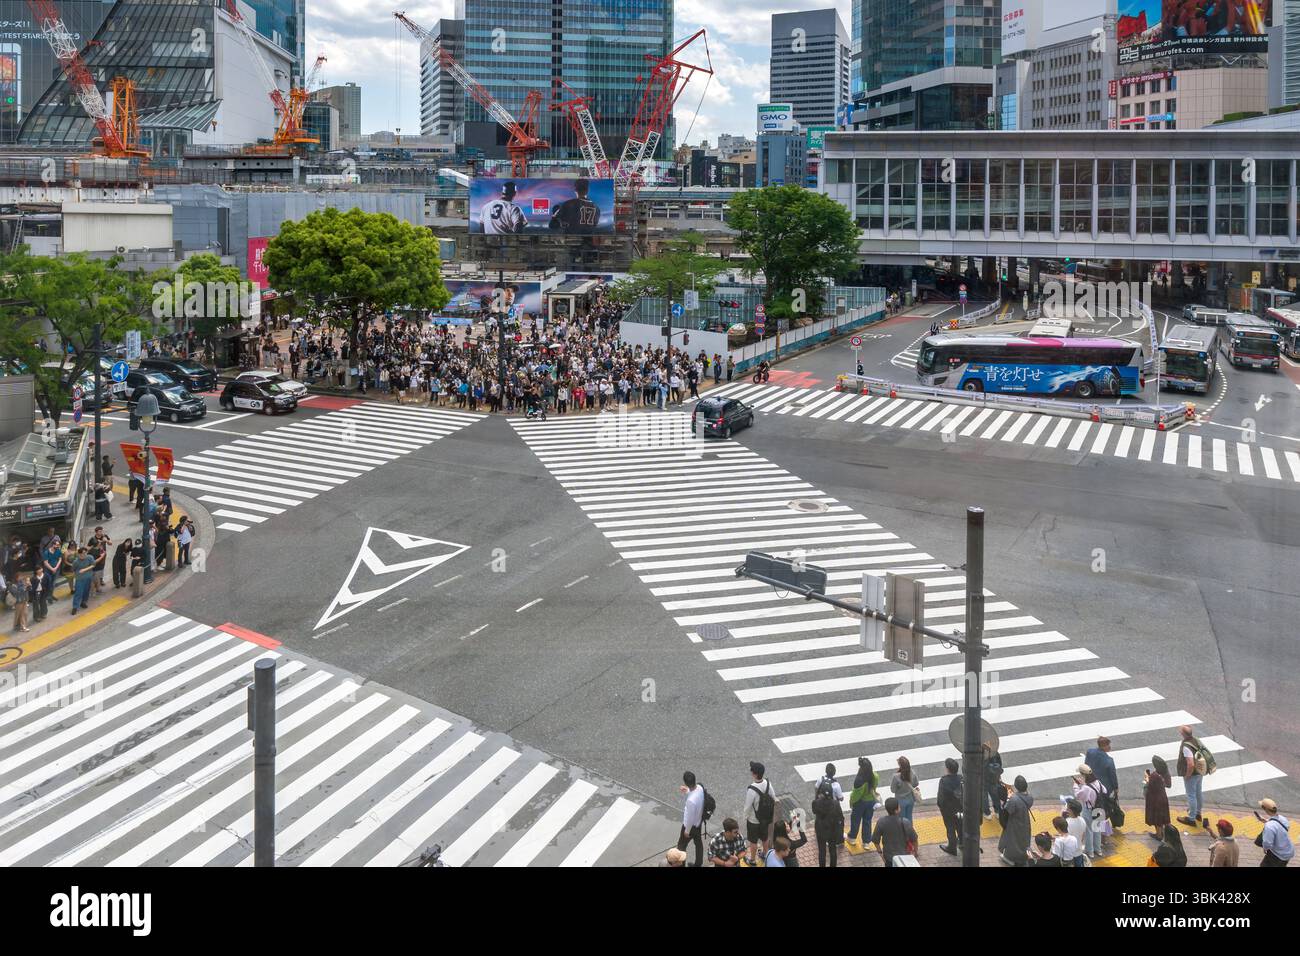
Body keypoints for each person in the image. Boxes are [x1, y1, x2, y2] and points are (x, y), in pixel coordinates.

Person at [1175, 725, 1209, 830]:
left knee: (1191, 795)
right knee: (1198, 792)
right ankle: (1198, 813)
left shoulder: (1186, 746)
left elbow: (1190, 764)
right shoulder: (1196, 740)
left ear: (1183, 734)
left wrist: (1187, 775)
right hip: (1200, 771)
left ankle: (1191, 818)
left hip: (1192, 774)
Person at [743, 761, 776, 866]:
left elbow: (747, 806)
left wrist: (745, 817)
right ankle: (765, 855)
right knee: (764, 838)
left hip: (754, 820)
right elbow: (773, 797)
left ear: (755, 774)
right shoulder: (767, 783)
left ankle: (752, 860)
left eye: (751, 770)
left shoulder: (751, 789)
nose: (750, 771)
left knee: (753, 841)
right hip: (765, 819)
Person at [871, 797, 918, 868]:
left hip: (889, 857)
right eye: (899, 806)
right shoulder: (905, 822)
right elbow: (914, 839)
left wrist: (881, 854)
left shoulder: (881, 822)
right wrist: (915, 852)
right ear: (897, 810)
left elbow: (875, 840)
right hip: (905, 856)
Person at [998, 774, 1035, 867]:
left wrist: (1008, 798)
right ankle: (1023, 856)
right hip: (1025, 821)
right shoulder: (1029, 797)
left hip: (1014, 823)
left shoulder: (1014, 799)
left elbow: (1007, 810)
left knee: (1013, 841)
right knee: (1024, 840)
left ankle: (1011, 858)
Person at [811, 778, 844, 867]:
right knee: (832, 850)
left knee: (822, 851)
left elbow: (814, 811)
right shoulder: (836, 804)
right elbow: (840, 816)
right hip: (832, 830)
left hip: (820, 830)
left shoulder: (816, 803)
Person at [846, 756, 878, 848]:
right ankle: (866, 842)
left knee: (855, 820)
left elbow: (856, 795)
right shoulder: (875, 776)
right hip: (871, 801)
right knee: (867, 821)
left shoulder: (860, 780)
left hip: (860, 803)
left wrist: (851, 801)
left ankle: (852, 838)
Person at [677, 770, 705, 868]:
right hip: (698, 823)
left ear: (685, 783)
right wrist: (688, 791)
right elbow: (696, 795)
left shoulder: (690, 801)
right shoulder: (700, 788)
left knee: (681, 846)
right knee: (698, 843)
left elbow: (689, 818)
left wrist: (687, 830)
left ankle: (681, 865)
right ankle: (698, 863)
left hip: (690, 826)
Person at [936, 757, 963, 855]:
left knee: (950, 828)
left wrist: (941, 808)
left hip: (948, 810)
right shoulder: (961, 778)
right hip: (960, 808)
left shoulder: (944, 781)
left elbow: (940, 799)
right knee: (960, 825)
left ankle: (952, 847)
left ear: (947, 769)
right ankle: (963, 843)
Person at [1256, 798, 1293, 867]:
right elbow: (1281, 827)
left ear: (1265, 809)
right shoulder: (1283, 818)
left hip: (1278, 855)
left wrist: (1265, 848)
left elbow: (1267, 843)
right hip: (1288, 851)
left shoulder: (1269, 826)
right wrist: (1265, 821)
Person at [1084, 735, 1120, 801]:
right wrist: (1116, 788)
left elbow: (1086, 766)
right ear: (1104, 746)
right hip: (1104, 788)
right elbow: (1113, 776)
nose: (1110, 747)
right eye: (1108, 745)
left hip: (1090, 784)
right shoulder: (1109, 760)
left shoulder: (1090, 752)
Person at [1144, 756, 1172, 838]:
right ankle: (1164, 833)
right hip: (1163, 797)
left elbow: (1150, 785)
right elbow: (1168, 785)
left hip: (1155, 799)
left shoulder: (1154, 775)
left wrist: (1147, 778)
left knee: (1156, 818)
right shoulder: (1166, 773)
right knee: (1162, 817)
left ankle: (1159, 835)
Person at [890, 756, 919, 823]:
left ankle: (903, 833)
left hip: (900, 801)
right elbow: (916, 784)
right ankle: (910, 831)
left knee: (901, 820)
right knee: (909, 818)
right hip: (910, 799)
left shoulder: (896, 776)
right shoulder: (912, 773)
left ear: (900, 765)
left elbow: (893, 790)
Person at [69, 545, 95, 614]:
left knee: (86, 591)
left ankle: (83, 602)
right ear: (79, 554)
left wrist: (84, 569)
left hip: (88, 578)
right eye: (82, 554)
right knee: (78, 592)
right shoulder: (76, 561)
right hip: (80, 579)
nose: (84, 555)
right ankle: (75, 607)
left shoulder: (90, 557)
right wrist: (77, 574)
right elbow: (73, 569)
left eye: (85, 553)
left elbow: (93, 565)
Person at [8, 568, 30, 632]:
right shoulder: (13, 585)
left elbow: (28, 590)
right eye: (20, 577)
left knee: (24, 613)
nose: (21, 578)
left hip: (24, 600)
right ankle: (21, 627)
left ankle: (19, 626)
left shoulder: (23, 582)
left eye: (22, 576)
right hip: (18, 602)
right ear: (16, 578)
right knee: (19, 614)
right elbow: (15, 593)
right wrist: (24, 588)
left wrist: (28, 585)